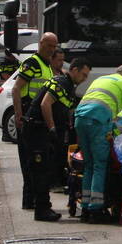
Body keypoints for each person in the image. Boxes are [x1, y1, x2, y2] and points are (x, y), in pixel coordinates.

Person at [23, 57, 91, 221]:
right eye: (83, 75)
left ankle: (44, 207)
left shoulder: (68, 86)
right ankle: (42, 210)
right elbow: (45, 104)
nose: (84, 79)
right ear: (74, 70)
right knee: (40, 171)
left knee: (45, 169)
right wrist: (52, 127)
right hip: (37, 129)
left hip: (41, 130)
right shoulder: (62, 82)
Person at [74, 65, 122, 223]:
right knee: (100, 164)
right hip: (98, 119)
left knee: (88, 165)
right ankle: (96, 210)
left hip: (80, 119)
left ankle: (85, 208)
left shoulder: (101, 79)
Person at [11, 32, 58, 209]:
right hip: (28, 116)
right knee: (31, 161)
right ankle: (29, 200)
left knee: (36, 161)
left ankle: (30, 200)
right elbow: (16, 89)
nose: (51, 49)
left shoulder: (46, 65)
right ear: (41, 44)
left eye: (54, 46)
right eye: (49, 45)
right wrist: (18, 115)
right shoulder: (33, 63)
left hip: (37, 117)